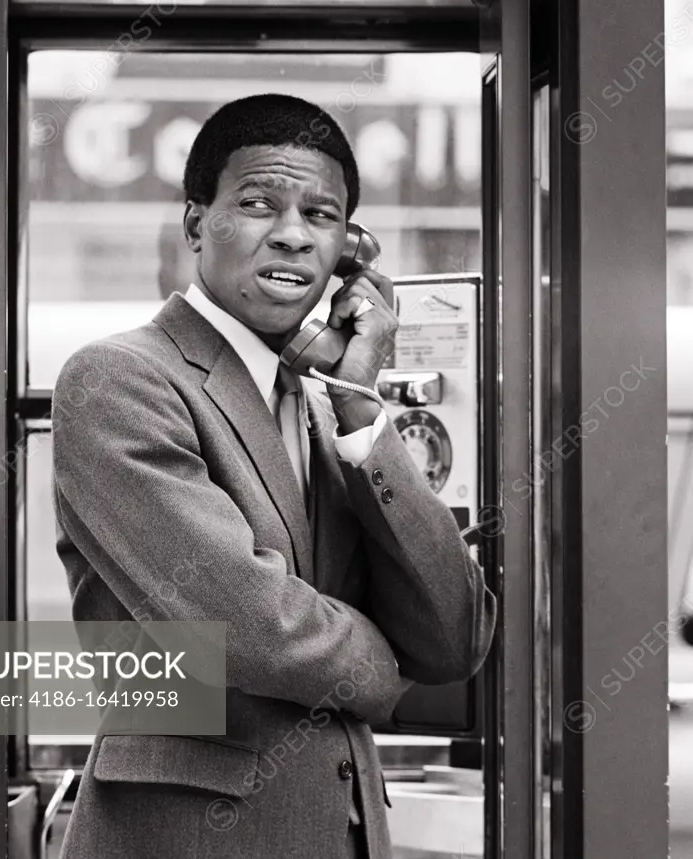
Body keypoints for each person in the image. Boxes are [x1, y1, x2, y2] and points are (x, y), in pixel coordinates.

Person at [51, 93, 497, 859]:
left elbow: (454, 638)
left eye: (321, 216)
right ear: (197, 224)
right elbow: (247, 628)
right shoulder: (119, 380)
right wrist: (386, 663)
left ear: (349, 249)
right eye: (258, 203)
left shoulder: (330, 407)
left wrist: (361, 409)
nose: (292, 234)